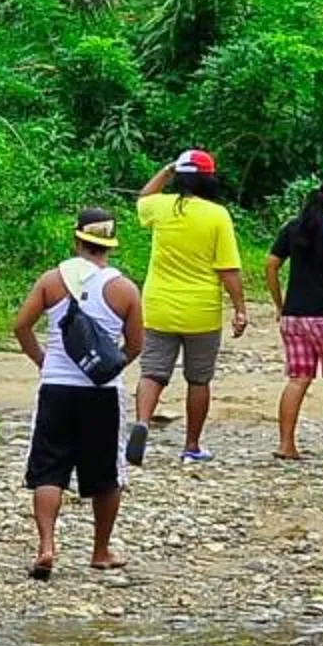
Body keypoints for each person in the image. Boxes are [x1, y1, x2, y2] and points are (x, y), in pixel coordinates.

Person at [11, 209, 145, 581]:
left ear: (77, 240)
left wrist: (43, 359)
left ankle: (47, 546)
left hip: (56, 386)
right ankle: (100, 550)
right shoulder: (125, 289)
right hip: (102, 392)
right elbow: (136, 344)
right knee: (105, 474)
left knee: (49, 468)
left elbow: (21, 325)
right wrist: (110, 366)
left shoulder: (52, 280)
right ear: (110, 246)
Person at [130, 146, 248, 467]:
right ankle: (192, 445)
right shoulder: (217, 215)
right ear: (209, 180)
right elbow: (228, 269)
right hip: (202, 312)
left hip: (158, 305)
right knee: (198, 379)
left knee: (153, 372)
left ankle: (141, 422)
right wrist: (240, 308)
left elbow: (142, 197)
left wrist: (167, 170)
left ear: (181, 178)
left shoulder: (161, 207)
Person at [264, 174, 323, 460]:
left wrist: (279, 304)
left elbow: (271, 265)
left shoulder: (295, 226)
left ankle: (286, 443)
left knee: (298, 378)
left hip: (294, 315)